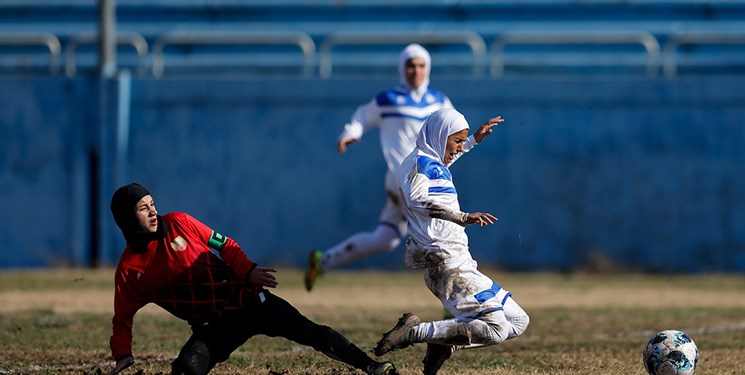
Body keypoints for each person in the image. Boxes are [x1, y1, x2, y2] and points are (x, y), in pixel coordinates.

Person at [107, 183, 398, 375]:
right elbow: (122, 318)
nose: (153, 211)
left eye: (152, 203)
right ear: (126, 218)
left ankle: (372, 366)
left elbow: (226, 244)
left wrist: (247, 271)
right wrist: (123, 353)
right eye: (143, 208)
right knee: (185, 369)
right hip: (215, 325)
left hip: (249, 300)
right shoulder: (130, 270)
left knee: (310, 331)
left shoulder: (179, 222)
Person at [372, 109, 530, 375]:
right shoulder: (419, 164)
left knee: (517, 321)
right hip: (445, 264)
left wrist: (472, 141)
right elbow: (417, 201)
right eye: (455, 140)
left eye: (460, 140)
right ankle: (414, 332)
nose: (458, 147)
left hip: (460, 260)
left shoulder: (430, 161)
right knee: (497, 328)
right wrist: (463, 217)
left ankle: (443, 344)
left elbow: (443, 163)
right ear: (439, 136)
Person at [305, 43, 455, 291]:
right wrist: (351, 132)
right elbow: (362, 116)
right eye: (410, 65)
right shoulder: (388, 99)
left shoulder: (439, 100)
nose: (415, 71)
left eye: (420, 65)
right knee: (436, 234)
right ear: (402, 68)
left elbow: (452, 128)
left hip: (424, 180)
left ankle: (322, 260)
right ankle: (453, 301)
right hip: (402, 180)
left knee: (384, 239)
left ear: (427, 68)